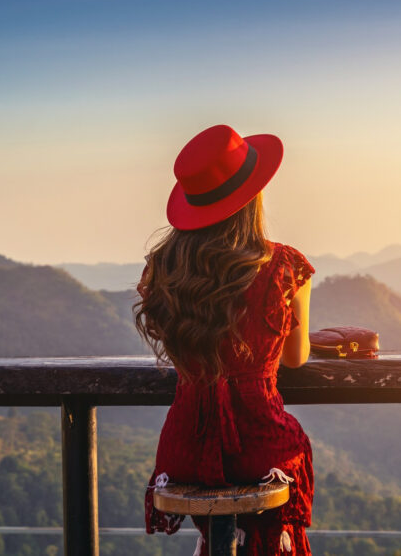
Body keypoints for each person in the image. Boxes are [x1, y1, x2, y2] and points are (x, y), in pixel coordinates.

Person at [135, 124, 315, 555]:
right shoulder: (283, 265)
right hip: (260, 443)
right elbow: (295, 358)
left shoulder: (165, 268)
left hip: (186, 445)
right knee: (289, 463)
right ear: (252, 197)